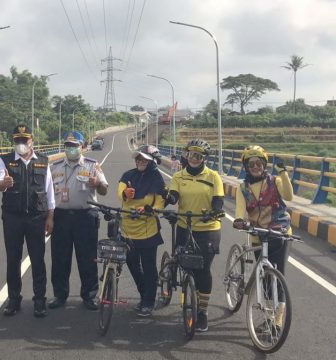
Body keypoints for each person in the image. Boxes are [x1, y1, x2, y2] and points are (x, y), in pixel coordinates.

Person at [0, 124, 55, 318]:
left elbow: (50, 192)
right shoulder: (5, 161)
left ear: (32, 141)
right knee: (13, 259)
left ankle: (39, 301)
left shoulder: (44, 162)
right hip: (13, 217)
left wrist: (50, 217)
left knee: (38, 259)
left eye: (24, 140)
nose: (21, 143)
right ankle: (14, 299)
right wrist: (3, 184)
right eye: (17, 140)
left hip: (36, 217)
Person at [166, 139, 224, 332]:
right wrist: (168, 200)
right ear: (186, 155)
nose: (194, 158)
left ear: (204, 158)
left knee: (203, 269)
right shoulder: (178, 176)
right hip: (185, 226)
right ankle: (188, 291)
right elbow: (173, 196)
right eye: (191, 154)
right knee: (185, 263)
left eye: (199, 155)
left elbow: (218, 201)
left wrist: (214, 211)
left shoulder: (213, 176)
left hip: (208, 228)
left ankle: (203, 312)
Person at [233, 145, 293, 328]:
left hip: (279, 233)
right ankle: (268, 318)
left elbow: (289, 196)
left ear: (264, 164)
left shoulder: (275, 181)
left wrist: (283, 173)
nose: (255, 166)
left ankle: (277, 320)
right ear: (246, 167)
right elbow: (240, 209)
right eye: (251, 164)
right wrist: (238, 220)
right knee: (266, 279)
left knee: (278, 276)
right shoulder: (242, 188)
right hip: (258, 235)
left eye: (259, 163)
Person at [48, 132, 108, 311]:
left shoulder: (92, 165)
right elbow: (48, 194)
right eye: (68, 145)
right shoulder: (55, 167)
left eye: (74, 145)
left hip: (85, 216)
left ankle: (89, 296)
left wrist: (97, 183)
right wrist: (49, 217)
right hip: (61, 217)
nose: (71, 149)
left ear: (82, 147)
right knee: (60, 259)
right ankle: (60, 295)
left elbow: (104, 190)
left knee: (87, 258)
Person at [117, 145, 166, 317]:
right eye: (138, 158)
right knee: (131, 263)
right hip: (127, 230)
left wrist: (150, 209)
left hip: (147, 230)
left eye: (144, 159)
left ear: (152, 161)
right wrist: (125, 194)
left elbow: (160, 203)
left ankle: (148, 301)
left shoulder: (157, 180)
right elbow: (119, 191)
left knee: (149, 267)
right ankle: (144, 292)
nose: (140, 161)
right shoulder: (128, 175)